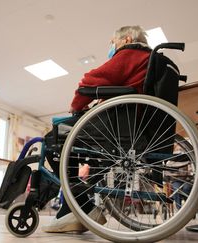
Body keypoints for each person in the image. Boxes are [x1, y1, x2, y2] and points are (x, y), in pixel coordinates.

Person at [43, 25, 151, 233]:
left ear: (127, 39)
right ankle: (73, 209)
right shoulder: (147, 59)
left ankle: (79, 208)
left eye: (113, 43)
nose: (112, 47)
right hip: (127, 123)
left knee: (52, 141)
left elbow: (91, 80)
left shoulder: (131, 53)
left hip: (116, 124)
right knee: (70, 147)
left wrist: (77, 105)